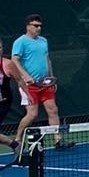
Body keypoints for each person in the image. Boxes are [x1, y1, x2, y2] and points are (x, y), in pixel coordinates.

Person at [11, 15, 74, 150]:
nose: (38, 28)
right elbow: (14, 60)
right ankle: (16, 140)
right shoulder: (20, 42)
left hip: (45, 84)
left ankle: (58, 140)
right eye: (35, 25)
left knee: (53, 110)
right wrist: (26, 76)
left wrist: (51, 78)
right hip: (28, 86)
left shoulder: (43, 41)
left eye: (40, 26)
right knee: (32, 115)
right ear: (28, 26)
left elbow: (47, 59)